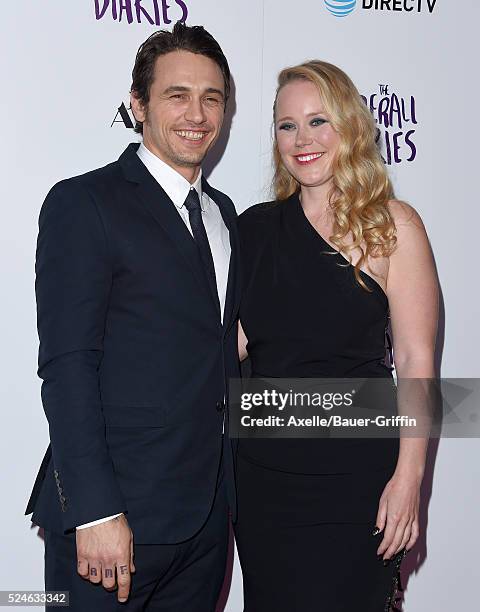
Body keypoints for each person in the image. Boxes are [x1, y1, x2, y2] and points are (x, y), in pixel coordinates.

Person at [25, 22, 240, 611]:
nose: (197, 114)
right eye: (177, 95)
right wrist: (94, 509)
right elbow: (68, 366)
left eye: (212, 97)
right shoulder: (85, 203)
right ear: (138, 104)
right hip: (111, 524)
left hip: (204, 526)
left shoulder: (225, 216)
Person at [235, 60, 438, 611]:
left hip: (360, 484)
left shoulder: (393, 225)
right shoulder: (253, 230)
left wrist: (409, 479)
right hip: (265, 486)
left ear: (349, 126)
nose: (303, 139)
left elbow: (418, 360)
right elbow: (231, 350)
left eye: (318, 120)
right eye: (287, 125)